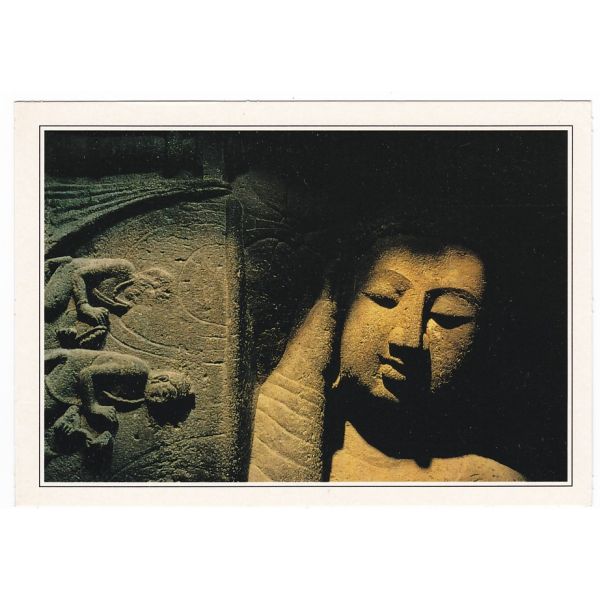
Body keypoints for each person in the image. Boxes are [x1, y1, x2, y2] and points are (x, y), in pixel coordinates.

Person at [249, 233, 524, 482]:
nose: (408, 340)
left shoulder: (489, 483)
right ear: (340, 306)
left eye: (448, 315)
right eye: (384, 298)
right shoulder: (257, 457)